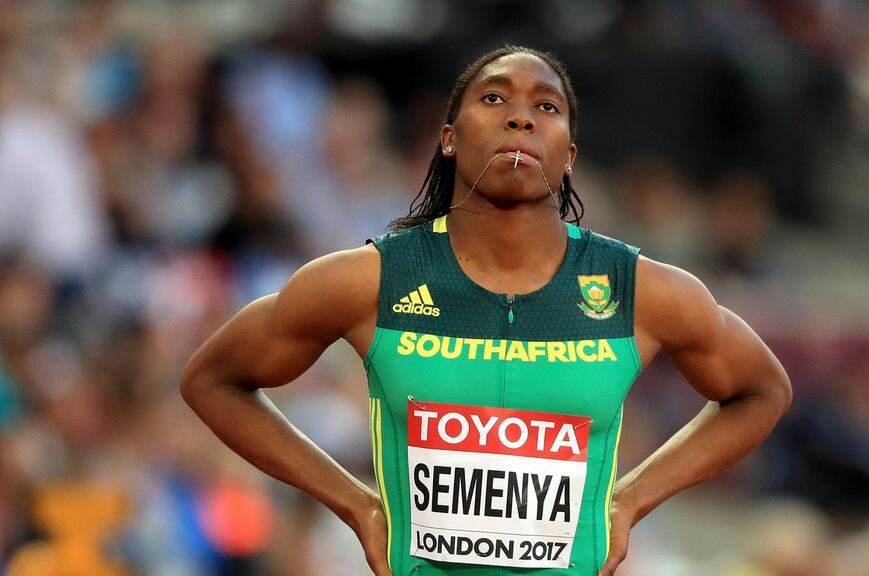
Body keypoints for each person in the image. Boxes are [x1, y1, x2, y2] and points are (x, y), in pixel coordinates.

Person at [181, 45, 792, 576]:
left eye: (546, 107)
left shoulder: (639, 290)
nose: (521, 117)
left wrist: (631, 500)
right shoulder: (371, 281)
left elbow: (762, 390)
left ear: (569, 153)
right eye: (495, 99)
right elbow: (212, 379)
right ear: (448, 137)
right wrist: (354, 502)